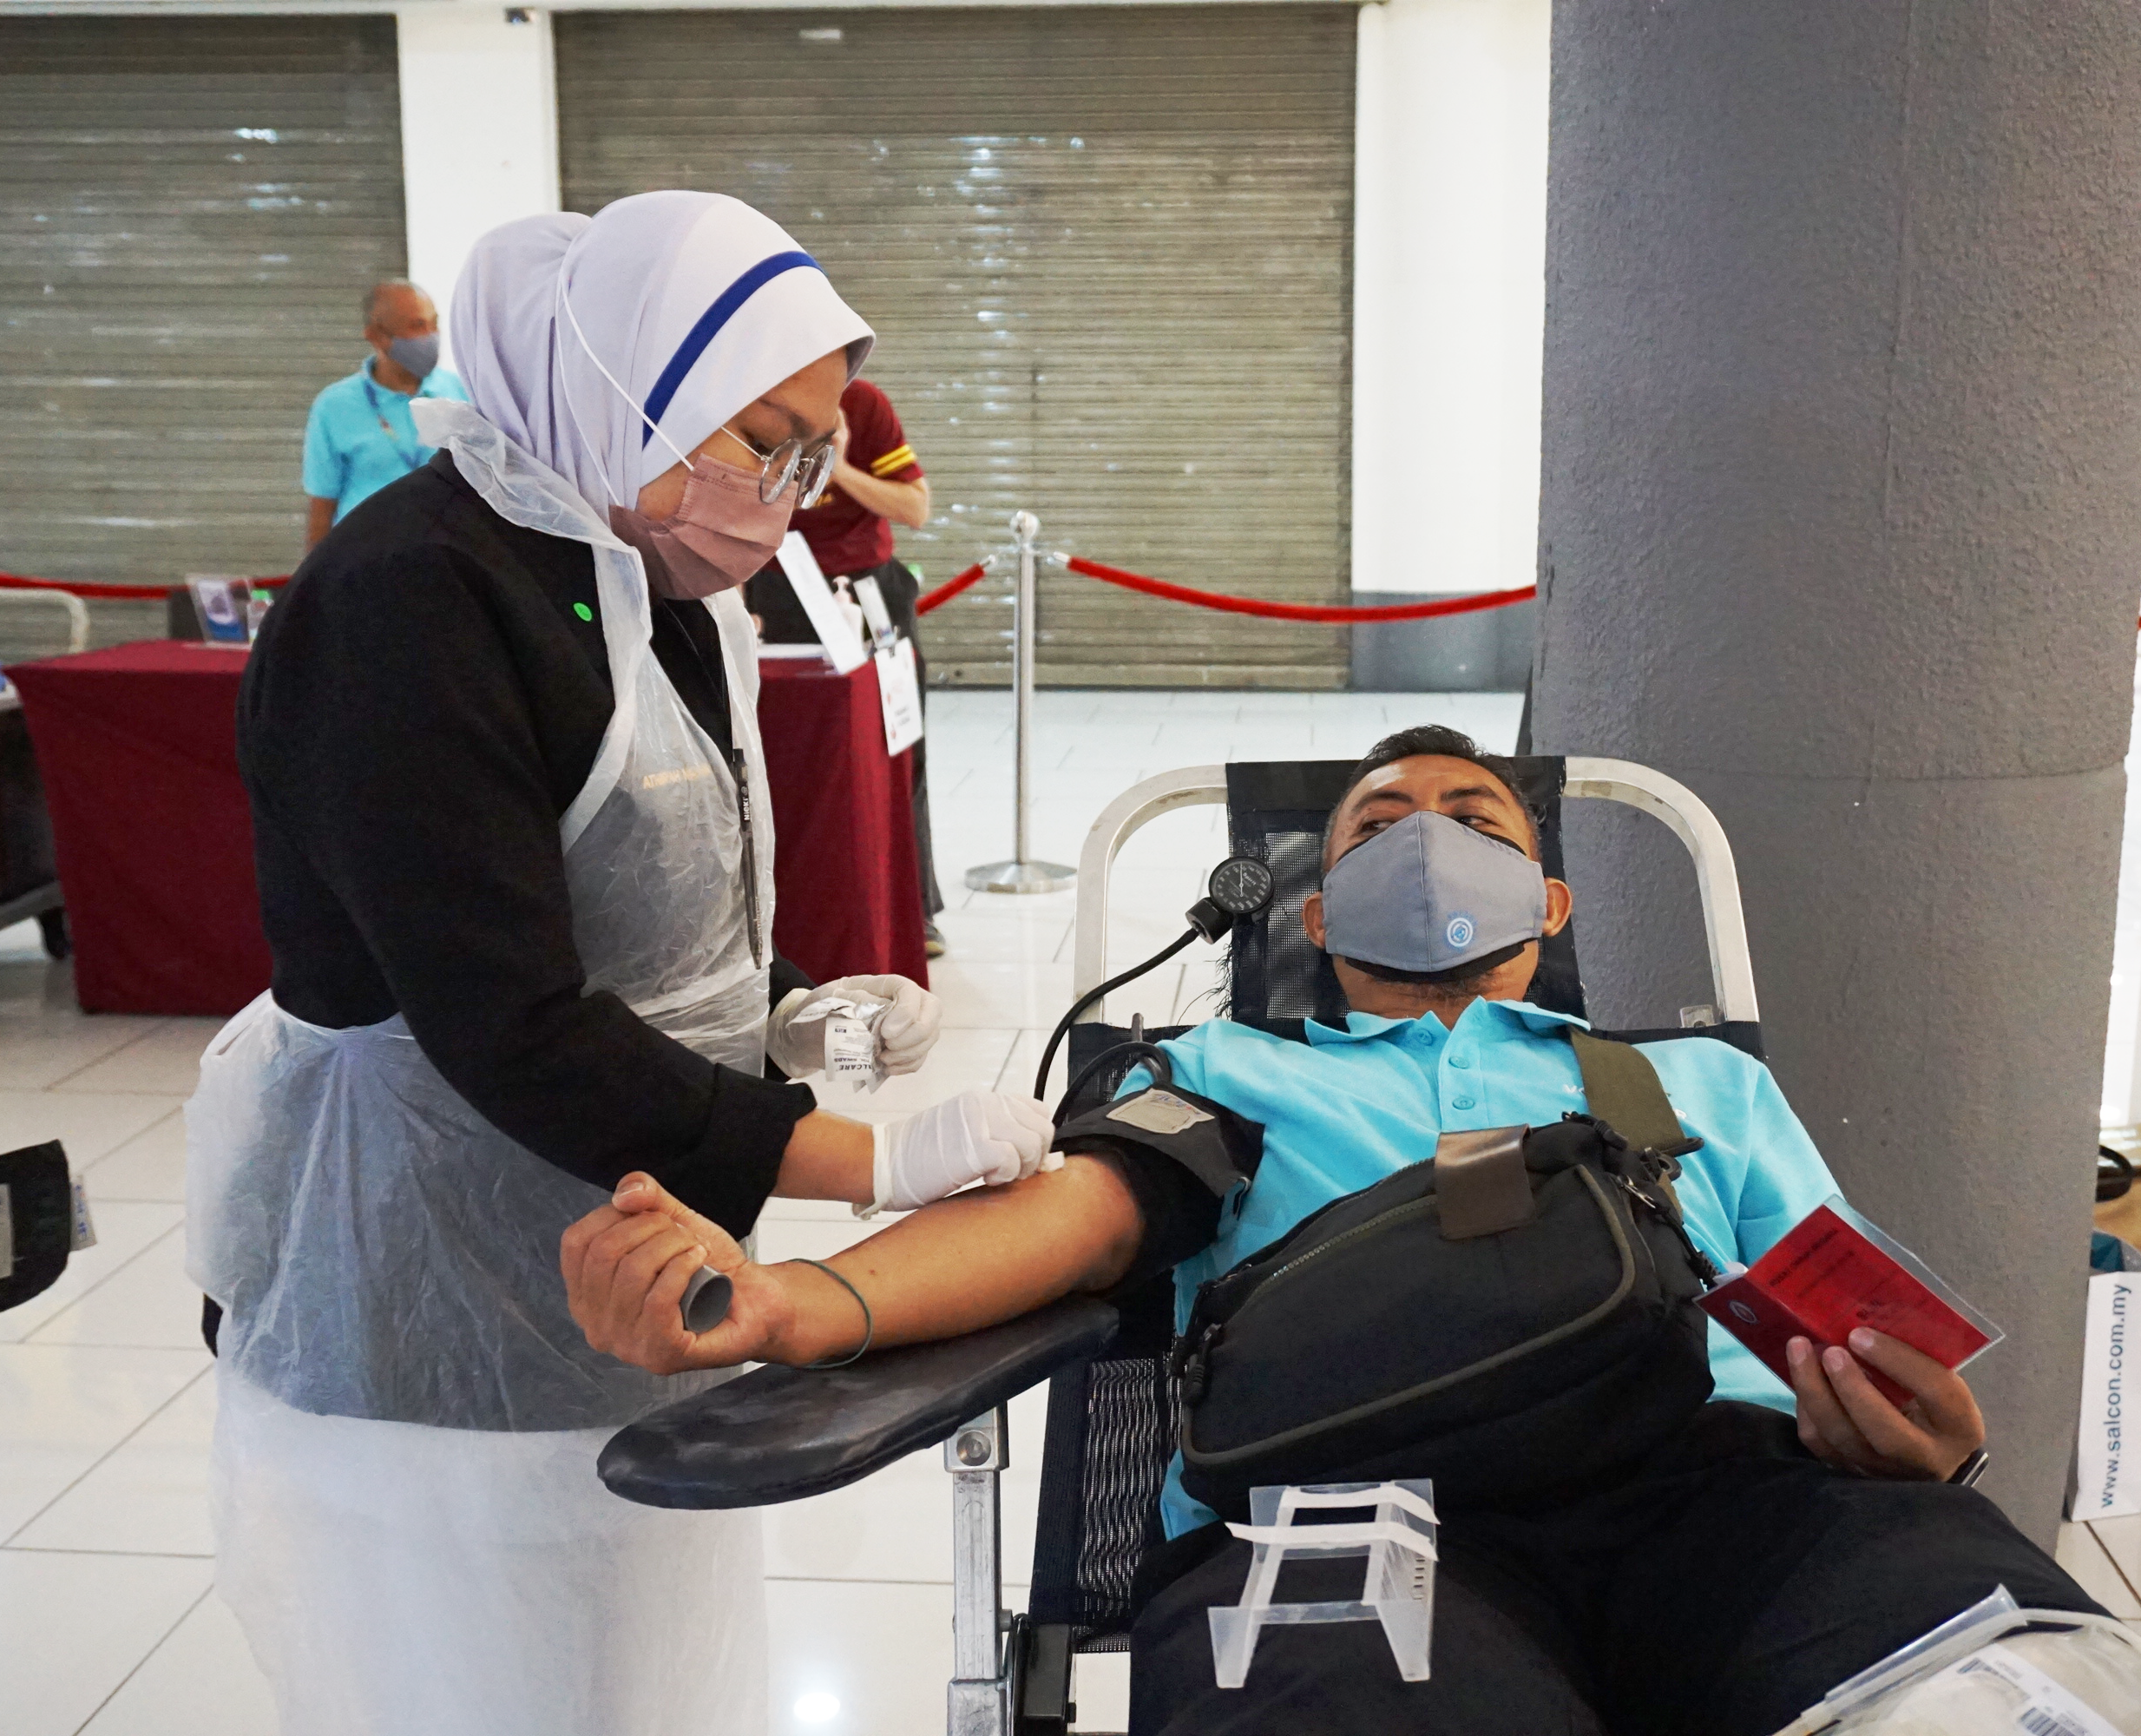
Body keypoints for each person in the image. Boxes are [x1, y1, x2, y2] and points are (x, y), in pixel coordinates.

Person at [562, 723, 2105, 1736]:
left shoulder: (1685, 1083)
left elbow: (1846, 1323)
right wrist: (790, 1302)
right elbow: (1076, 1219)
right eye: (1377, 822)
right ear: (1311, 915)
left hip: (1731, 1504)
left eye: (1471, 815)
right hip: (1352, 1515)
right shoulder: (1229, 1070)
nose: (1423, 834)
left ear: (1549, 904)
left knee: (2003, 1686)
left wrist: (1928, 1440)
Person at [186, 194, 1056, 1736]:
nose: (783, 494)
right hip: (432, 1247)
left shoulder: (644, 574)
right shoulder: (414, 601)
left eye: (810, 451)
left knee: (622, 1657)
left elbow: (652, 868)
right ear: (620, 382)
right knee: (482, 1668)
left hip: (623, 1224)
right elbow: (502, 1012)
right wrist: (867, 1158)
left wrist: (784, 1005)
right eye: (759, 439)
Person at [745, 374, 949, 953]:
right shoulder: (743, 404)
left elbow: (916, 507)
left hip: (865, 591)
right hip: (775, 589)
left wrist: (837, 467)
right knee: (785, 751)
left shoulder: (862, 402)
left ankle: (915, 905)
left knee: (899, 749)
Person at [300, 279, 470, 551]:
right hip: (365, 559)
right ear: (377, 336)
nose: (432, 335)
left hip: (448, 556)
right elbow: (322, 505)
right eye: (418, 326)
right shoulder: (334, 406)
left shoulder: (461, 392)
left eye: (434, 323)